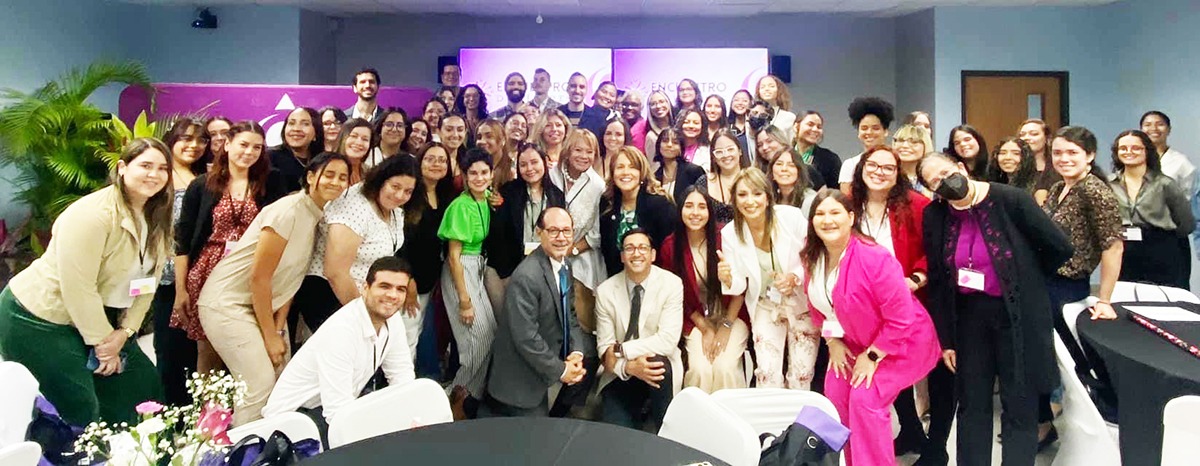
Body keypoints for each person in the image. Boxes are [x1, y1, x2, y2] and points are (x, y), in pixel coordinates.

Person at [0, 138, 172, 425]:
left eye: (162, 168)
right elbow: (78, 289)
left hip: (98, 315)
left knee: (142, 389)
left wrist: (126, 331)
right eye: (145, 165)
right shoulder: (92, 215)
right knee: (78, 406)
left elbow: (148, 282)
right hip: (38, 318)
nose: (154, 174)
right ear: (122, 168)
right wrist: (104, 346)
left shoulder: (156, 213)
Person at [920, 152, 1074, 466]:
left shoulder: (1011, 200)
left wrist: (1027, 275)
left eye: (946, 173)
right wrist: (946, 339)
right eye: (935, 182)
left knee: (1020, 404)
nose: (944, 182)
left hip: (1017, 315)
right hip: (968, 318)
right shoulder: (935, 215)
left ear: (961, 167)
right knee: (972, 404)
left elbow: (1059, 247)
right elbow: (936, 278)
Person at [199, 152, 351, 425]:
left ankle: (272, 443)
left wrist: (279, 330)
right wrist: (270, 336)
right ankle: (243, 446)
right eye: (329, 174)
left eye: (343, 177)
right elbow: (260, 277)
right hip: (228, 303)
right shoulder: (288, 210)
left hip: (263, 309)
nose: (336, 182)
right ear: (311, 177)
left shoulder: (317, 215)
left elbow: (289, 280)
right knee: (259, 385)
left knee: (283, 382)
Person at [800, 189, 939, 466]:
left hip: (902, 342)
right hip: (853, 342)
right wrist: (833, 343)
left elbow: (901, 318)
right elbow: (820, 307)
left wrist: (873, 355)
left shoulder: (875, 257)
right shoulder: (812, 256)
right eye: (820, 214)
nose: (827, 220)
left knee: (865, 399)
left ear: (851, 217)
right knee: (835, 394)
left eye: (835, 212)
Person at [174, 121, 284, 374]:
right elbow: (183, 240)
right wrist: (181, 289)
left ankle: (246, 398)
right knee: (208, 349)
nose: (249, 152)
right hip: (207, 271)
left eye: (257, 147)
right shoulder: (202, 185)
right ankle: (208, 400)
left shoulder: (271, 182)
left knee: (250, 344)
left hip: (253, 270)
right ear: (227, 144)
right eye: (243, 145)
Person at [262, 256, 416, 438]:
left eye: (400, 289)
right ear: (365, 288)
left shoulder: (393, 319)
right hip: (293, 423)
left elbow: (401, 376)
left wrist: (409, 418)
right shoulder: (342, 331)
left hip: (331, 412)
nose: (392, 295)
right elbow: (337, 411)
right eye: (384, 286)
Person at [848, 147, 933, 456]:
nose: (879, 172)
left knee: (903, 374)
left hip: (909, 305)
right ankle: (910, 431)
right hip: (865, 309)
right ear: (861, 168)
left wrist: (916, 279)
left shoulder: (917, 205)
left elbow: (934, 250)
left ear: (898, 175)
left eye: (888, 168)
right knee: (883, 373)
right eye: (873, 165)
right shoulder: (849, 205)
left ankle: (927, 442)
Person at [291, 155, 417, 342]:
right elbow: (335, 273)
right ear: (381, 179)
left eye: (408, 191)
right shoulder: (354, 206)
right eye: (395, 187)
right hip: (329, 292)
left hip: (365, 295)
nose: (400, 196)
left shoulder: (396, 211)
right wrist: (364, 317)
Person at [716, 168, 817, 389]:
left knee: (801, 375)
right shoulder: (730, 233)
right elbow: (739, 285)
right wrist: (728, 278)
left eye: (757, 193)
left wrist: (795, 277)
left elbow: (814, 255)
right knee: (767, 375)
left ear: (768, 196)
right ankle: (772, 412)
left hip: (801, 303)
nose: (750, 201)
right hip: (765, 304)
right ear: (734, 199)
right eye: (742, 195)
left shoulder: (791, 218)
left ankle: (798, 412)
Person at [482, 207, 588, 417]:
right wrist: (562, 370)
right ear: (539, 232)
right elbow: (525, 337)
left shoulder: (564, 265)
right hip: (519, 385)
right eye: (553, 231)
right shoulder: (526, 276)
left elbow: (570, 314)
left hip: (544, 370)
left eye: (566, 231)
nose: (561, 238)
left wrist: (576, 353)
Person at [657, 188, 749, 392]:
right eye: (689, 206)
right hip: (695, 318)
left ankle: (729, 411)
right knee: (701, 370)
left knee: (724, 367)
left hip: (732, 314)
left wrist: (726, 325)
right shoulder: (670, 246)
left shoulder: (726, 237)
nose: (695, 213)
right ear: (680, 210)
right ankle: (697, 412)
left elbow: (742, 287)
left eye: (702, 207)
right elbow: (675, 297)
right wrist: (705, 328)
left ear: (710, 211)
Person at [594, 228, 682, 430]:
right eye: (630, 248)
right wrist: (629, 367)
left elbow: (667, 341)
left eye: (643, 248)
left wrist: (622, 349)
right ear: (622, 256)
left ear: (653, 255)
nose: (636, 253)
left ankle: (664, 432)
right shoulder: (605, 291)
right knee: (617, 434)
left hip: (657, 369)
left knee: (657, 363)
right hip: (620, 372)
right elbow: (605, 351)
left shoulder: (672, 284)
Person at [152, 119, 209, 406]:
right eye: (186, 139)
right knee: (170, 349)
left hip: (202, 275)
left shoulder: (206, 177)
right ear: (172, 140)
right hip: (167, 277)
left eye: (201, 140)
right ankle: (169, 411)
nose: (194, 145)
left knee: (197, 351)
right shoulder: (159, 178)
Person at [440, 149, 496, 419]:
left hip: (477, 268)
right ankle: (454, 397)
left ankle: (469, 395)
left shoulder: (485, 198)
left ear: (492, 174)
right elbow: (453, 257)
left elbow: (492, 197)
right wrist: (464, 300)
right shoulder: (460, 206)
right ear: (464, 175)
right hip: (461, 269)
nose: (479, 178)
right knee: (477, 339)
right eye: (473, 173)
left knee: (490, 334)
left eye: (484, 172)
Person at [484, 144, 566, 315]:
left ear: (544, 162)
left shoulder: (556, 195)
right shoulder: (508, 192)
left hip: (543, 269)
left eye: (534, 162)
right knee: (511, 318)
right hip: (510, 269)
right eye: (523, 164)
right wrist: (506, 274)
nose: (529, 169)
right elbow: (498, 236)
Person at [1108, 129, 1194, 288]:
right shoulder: (1109, 184)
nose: (1129, 152)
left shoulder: (1164, 184)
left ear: (1147, 151)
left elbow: (1186, 224)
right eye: (1123, 148)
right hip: (1124, 250)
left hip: (1161, 249)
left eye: (1136, 148)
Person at [550, 129, 609, 354]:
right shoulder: (552, 175)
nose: (584, 156)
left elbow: (596, 234)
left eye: (589, 152)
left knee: (580, 320)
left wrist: (570, 250)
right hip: (548, 254)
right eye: (578, 150)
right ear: (567, 151)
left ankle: (583, 361)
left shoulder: (597, 185)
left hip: (581, 258)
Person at [401, 143, 455, 378]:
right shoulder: (409, 195)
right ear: (419, 161)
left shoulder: (446, 196)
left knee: (418, 330)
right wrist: (407, 279)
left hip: (430, 278)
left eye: (442, 160)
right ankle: (400, 386)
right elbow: (399, 241)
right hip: (408, 279)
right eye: (430, 159)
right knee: (407, 335)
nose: (436, 164)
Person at [599, 147, 680, 276]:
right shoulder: (607, 203)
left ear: (641, 173)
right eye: (620, 167)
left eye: (632, 167)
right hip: (617, 279)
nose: (626, 172)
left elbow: (671, 251)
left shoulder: (660, 205)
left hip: (656, 278)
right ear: (613, 173)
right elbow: (606, 249)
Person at [838, 97, 894, 194]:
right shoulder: (850, 165)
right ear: (858, 132)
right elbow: (846, 199)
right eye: (864, 128)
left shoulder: (895, 162)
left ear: (885, 131)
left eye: (875, 128)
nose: (869, 132)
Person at [697, 128, 748, 226]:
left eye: (730, 149)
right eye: (719, 152)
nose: (726, 155)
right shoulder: (703, 182)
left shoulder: (753, 180)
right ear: (713, 157)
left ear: (740, 151)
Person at [1141, 110, 1198, 199]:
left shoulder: (1181, 162)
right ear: (1141, 130)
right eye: (1147, 125)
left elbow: (1188, 197)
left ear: (1169, 130)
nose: (1154, 128)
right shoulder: (1132, 158)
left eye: (1160, 124)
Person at [268, 107, 324, 194]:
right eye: (291, 123)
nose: (296, 129)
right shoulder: (270, 157)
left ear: (316, 133)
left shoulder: (323, 161)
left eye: (305, 124)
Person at [653, 127, 706, 204]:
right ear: (658, 146)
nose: (669, 145)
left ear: (681, 147)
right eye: (665, 141)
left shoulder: (694, 171)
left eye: (675, 142)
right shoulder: (655, 177)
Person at [793, 111, 842, 190]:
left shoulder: (830, 159)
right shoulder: (784, 155)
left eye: (819, 127)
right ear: (796, 127)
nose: (815, 129)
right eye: (810, 124)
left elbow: (835, 192)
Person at [1018, 119, 1060, 205]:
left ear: (1047, 138)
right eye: (1022, 135)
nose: (1026, 138)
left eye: (1034, 134)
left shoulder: (1059, 167)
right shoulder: (1015, 167)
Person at [559, 72, 609, 138]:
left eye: (582, 87)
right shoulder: (557, 114)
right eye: (573, 86)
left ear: (586, 90)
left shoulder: (597, 118)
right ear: (567, 89)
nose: (577, 91)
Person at [768, 147, 817, 214]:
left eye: (791, 165)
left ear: (799, 171)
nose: (784, 169)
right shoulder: (768, 198)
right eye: (779, 164)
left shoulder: (810, 200)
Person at [891, 124, 934, 197]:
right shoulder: (887, 175)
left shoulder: (935, 178)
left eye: (913, 142)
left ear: (925, 146)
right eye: (900, 141)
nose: (905, 146)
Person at [635, 90, 673, 161]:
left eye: (661, 101)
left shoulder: (679, 128)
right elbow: (654, 165)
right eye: (653, 104)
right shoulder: (651, 137)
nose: (658, 106)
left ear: (668, 103)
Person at [336, 118, 374, 185]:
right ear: (343, 137)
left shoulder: (369, 172)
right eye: (353, 136)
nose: (359, 143)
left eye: (365, 139)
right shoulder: (329, 166)